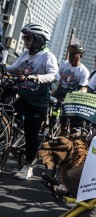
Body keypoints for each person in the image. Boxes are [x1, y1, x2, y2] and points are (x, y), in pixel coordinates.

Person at [3, 23, 58, 180]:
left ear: (39, 39)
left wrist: (37, 77)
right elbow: (13, 68)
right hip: (23, 97)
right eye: (24, 37)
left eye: (28, 38)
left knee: (31, 134)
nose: (25, 40)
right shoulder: (26, 54)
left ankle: (28, 166)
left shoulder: (47, 56)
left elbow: (53, 75)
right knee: (6, 111)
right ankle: (9, 137)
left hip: (38, 102)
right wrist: (3, 67)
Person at [52, 43, 90, 136]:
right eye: (70, 53)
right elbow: (56, 77)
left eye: (73, 54)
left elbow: (83, 87)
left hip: (71, 95)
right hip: (59, 90)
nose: (70, 56)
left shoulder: (83, 71)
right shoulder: (64, 64)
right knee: (50, 107)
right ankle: (49, 125)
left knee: (65, 115)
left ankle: (63, 130)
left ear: (80, 56)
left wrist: (80, 92)